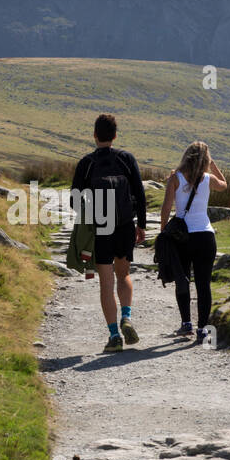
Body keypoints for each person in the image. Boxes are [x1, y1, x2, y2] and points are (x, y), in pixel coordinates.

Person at [70, 113, 146, 352]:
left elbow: (74, 199)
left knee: (106, 283)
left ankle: (114, 337)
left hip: (101, 229)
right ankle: (127, 317)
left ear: (94, 135)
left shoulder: (87, 163)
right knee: (124, 275)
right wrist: (141, 225)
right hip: (124, 226)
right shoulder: (126, 159)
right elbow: (140, 195)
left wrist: (89, 215)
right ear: (115, 135)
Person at [159, 141, 228, 345]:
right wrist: (214, 166)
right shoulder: (209, 178)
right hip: (206, 236)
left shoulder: (176, 178)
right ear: (206, 160)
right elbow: (224, 186)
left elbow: (165, 208)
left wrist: (163, 233)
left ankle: (186, 323)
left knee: (183, 279)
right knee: (203, 284)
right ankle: (203, 330)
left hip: (182, 237)